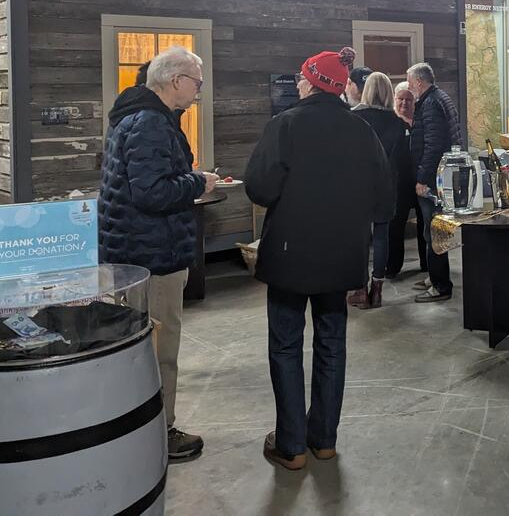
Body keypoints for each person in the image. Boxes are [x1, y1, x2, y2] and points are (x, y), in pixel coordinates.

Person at [245, 46, 392, 470]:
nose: (297, 83)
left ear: (311, 82)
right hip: (341, 256)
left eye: (301, 77)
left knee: (286, 346)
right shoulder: (361, 130)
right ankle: (324, 438)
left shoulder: (285, 125)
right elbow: (384, 202)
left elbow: (259, 188)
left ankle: (291, 445)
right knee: (332, 345)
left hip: (291, 255)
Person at [98, 45, 217, 461]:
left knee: (139, 348)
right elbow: (150, 193)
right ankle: (159, 434)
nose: (198, 92)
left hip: (134, 250)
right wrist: (198, 183)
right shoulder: (150, 123)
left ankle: (138, 429)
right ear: (174, 81)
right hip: (153, 254)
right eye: (196, 83)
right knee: (160, 349)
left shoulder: (136, 116)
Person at [348, 72, 406, 309]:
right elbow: (401, 159)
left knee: (359, 237)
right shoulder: (397, 122)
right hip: (386, 184)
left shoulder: (354, 118)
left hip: (358, 185)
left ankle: (360, 290)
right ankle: (378, 290)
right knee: (382, 236)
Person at [406, 62, 462, 303]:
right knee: (434, 231)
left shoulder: (430, 104)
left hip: (434, 179)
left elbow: (433, 144)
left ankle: (440, 285)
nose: (408, 87)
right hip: (441, 176)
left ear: (419, 81)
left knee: (434, 231)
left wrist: (422, 178)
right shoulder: (438, 98)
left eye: (409, 82)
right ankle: (435, 276)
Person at [386, 81, 423, 277]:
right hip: (398, 182)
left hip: (419, 180)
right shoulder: (391, 122)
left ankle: (426, 264)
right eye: (400, 99)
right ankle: (392, 267)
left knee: (424, 222)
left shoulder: (420, 122)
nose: (404, 103)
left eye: (409, 100)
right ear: (394, 99)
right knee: (395, 225)